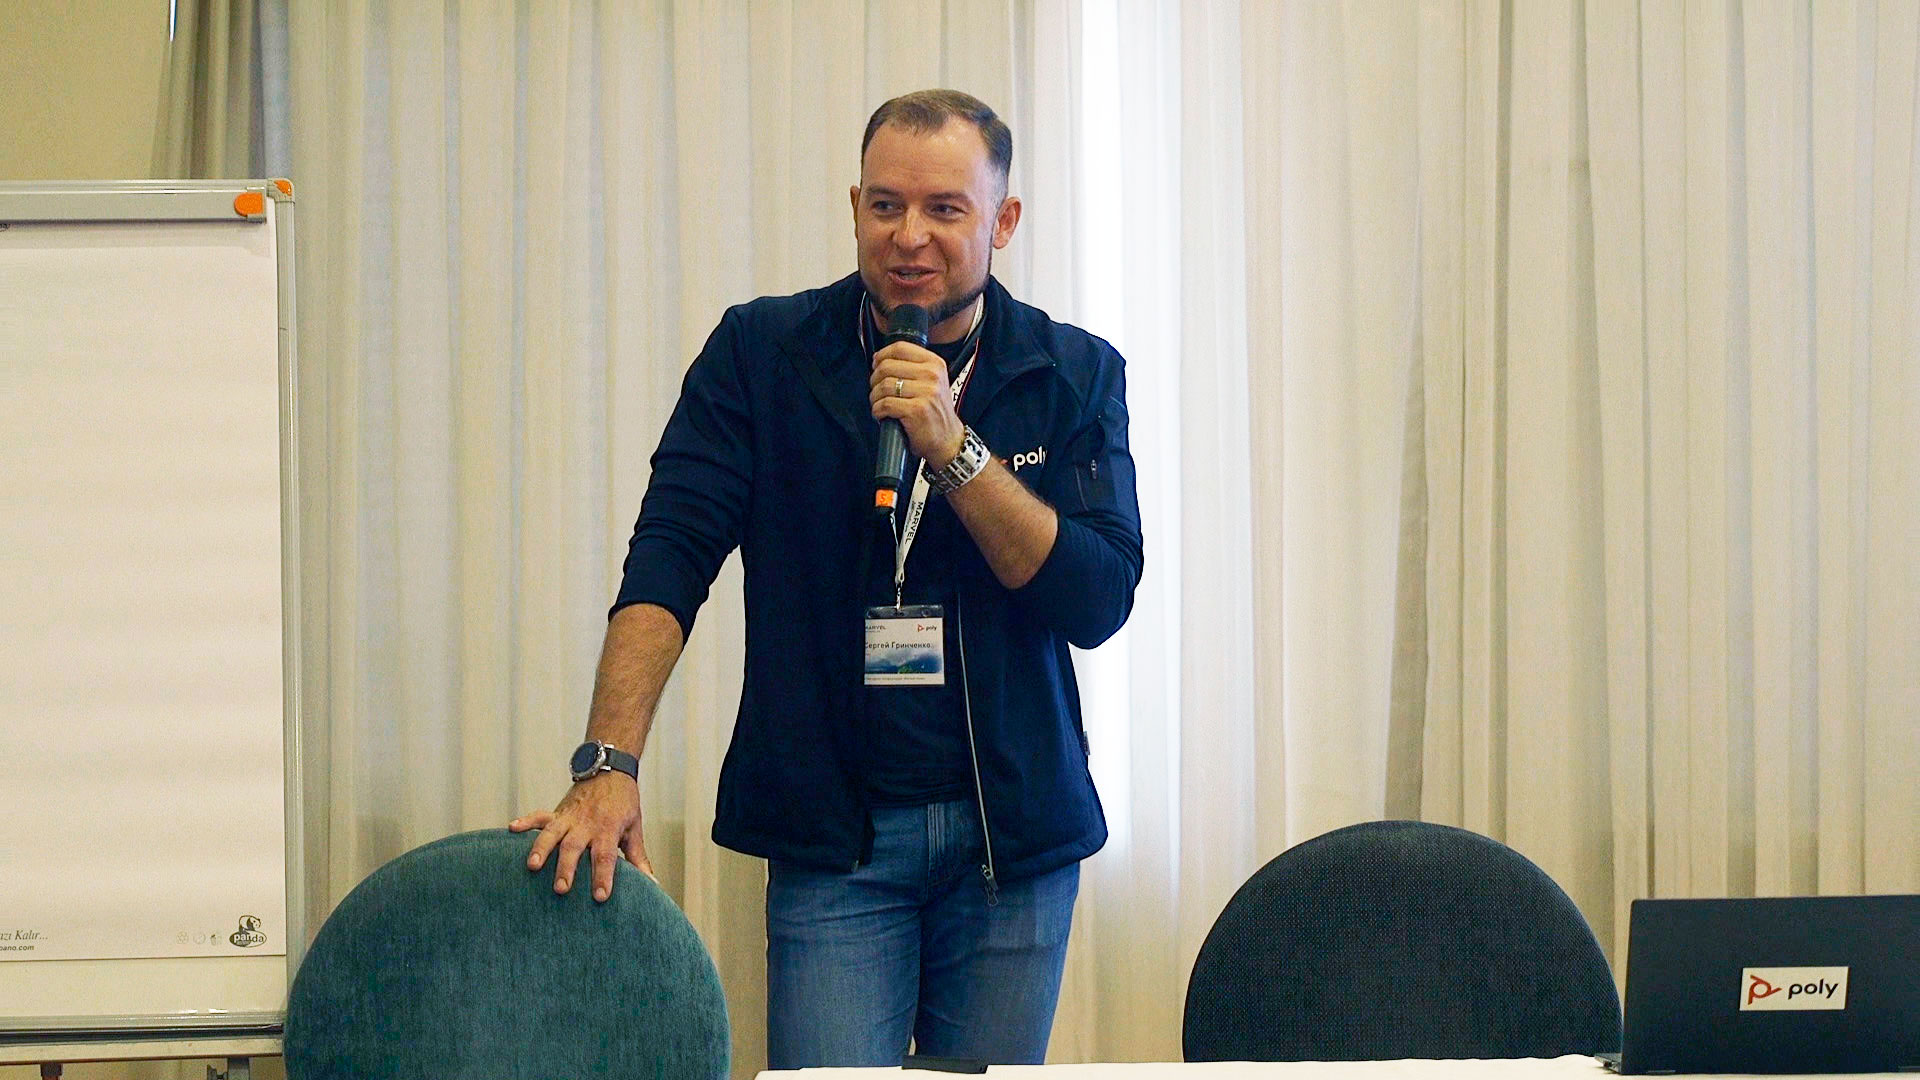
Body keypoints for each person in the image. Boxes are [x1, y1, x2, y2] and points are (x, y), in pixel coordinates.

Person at [509, 89, 1142, 1068]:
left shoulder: (1072, 371)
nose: (909, 236)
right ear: (855, 209)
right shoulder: (763, 355)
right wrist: (607, 764)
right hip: (837, 842)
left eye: (945, 208)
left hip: (1011, 846)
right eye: (886, 205)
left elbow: (1096, 599)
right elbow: (669, 557)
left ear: (1004, 220)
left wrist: (956, 451)